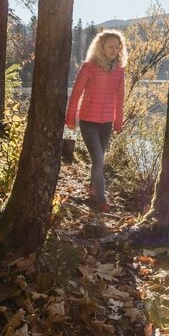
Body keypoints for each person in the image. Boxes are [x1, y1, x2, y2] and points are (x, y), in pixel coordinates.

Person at [66, 29, 127, 213]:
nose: (114, 50)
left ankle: (93, 189)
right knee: (99, 161)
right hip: (88, 121)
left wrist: (118, 122)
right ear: (101, 47)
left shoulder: (119, 71)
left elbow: (119, 99)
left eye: (117, 47)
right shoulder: (89, 67)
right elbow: (76, 93)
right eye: (110, 46)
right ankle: (101, 201)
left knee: (98, 160)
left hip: (107, 123)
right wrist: (70, 117)